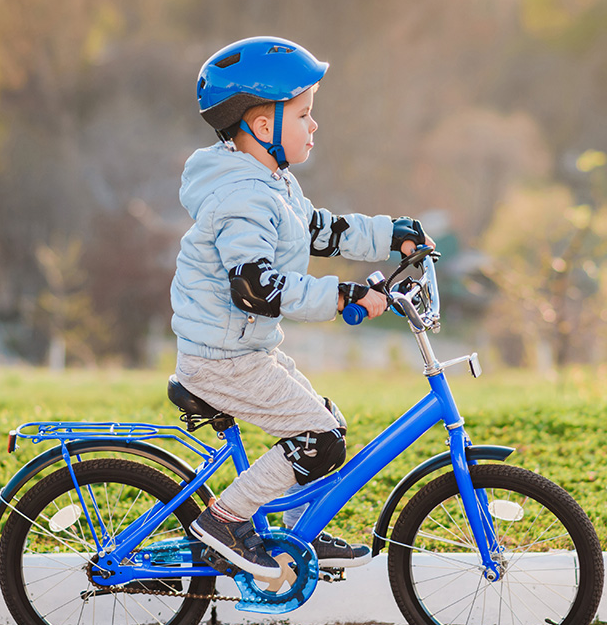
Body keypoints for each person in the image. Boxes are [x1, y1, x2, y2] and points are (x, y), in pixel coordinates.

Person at [171, 36, 429, 578]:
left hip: (244, 350)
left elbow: (321, 231)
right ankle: (223, 521)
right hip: (222, 359)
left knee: (325, 422)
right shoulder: (241, 198)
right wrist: (343, 296)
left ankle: (297, 534)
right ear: (263, 128)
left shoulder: (271, 183)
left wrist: (390, 235)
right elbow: (257, 288)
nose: (315, 125)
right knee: (318, 441)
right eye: (306, 114)